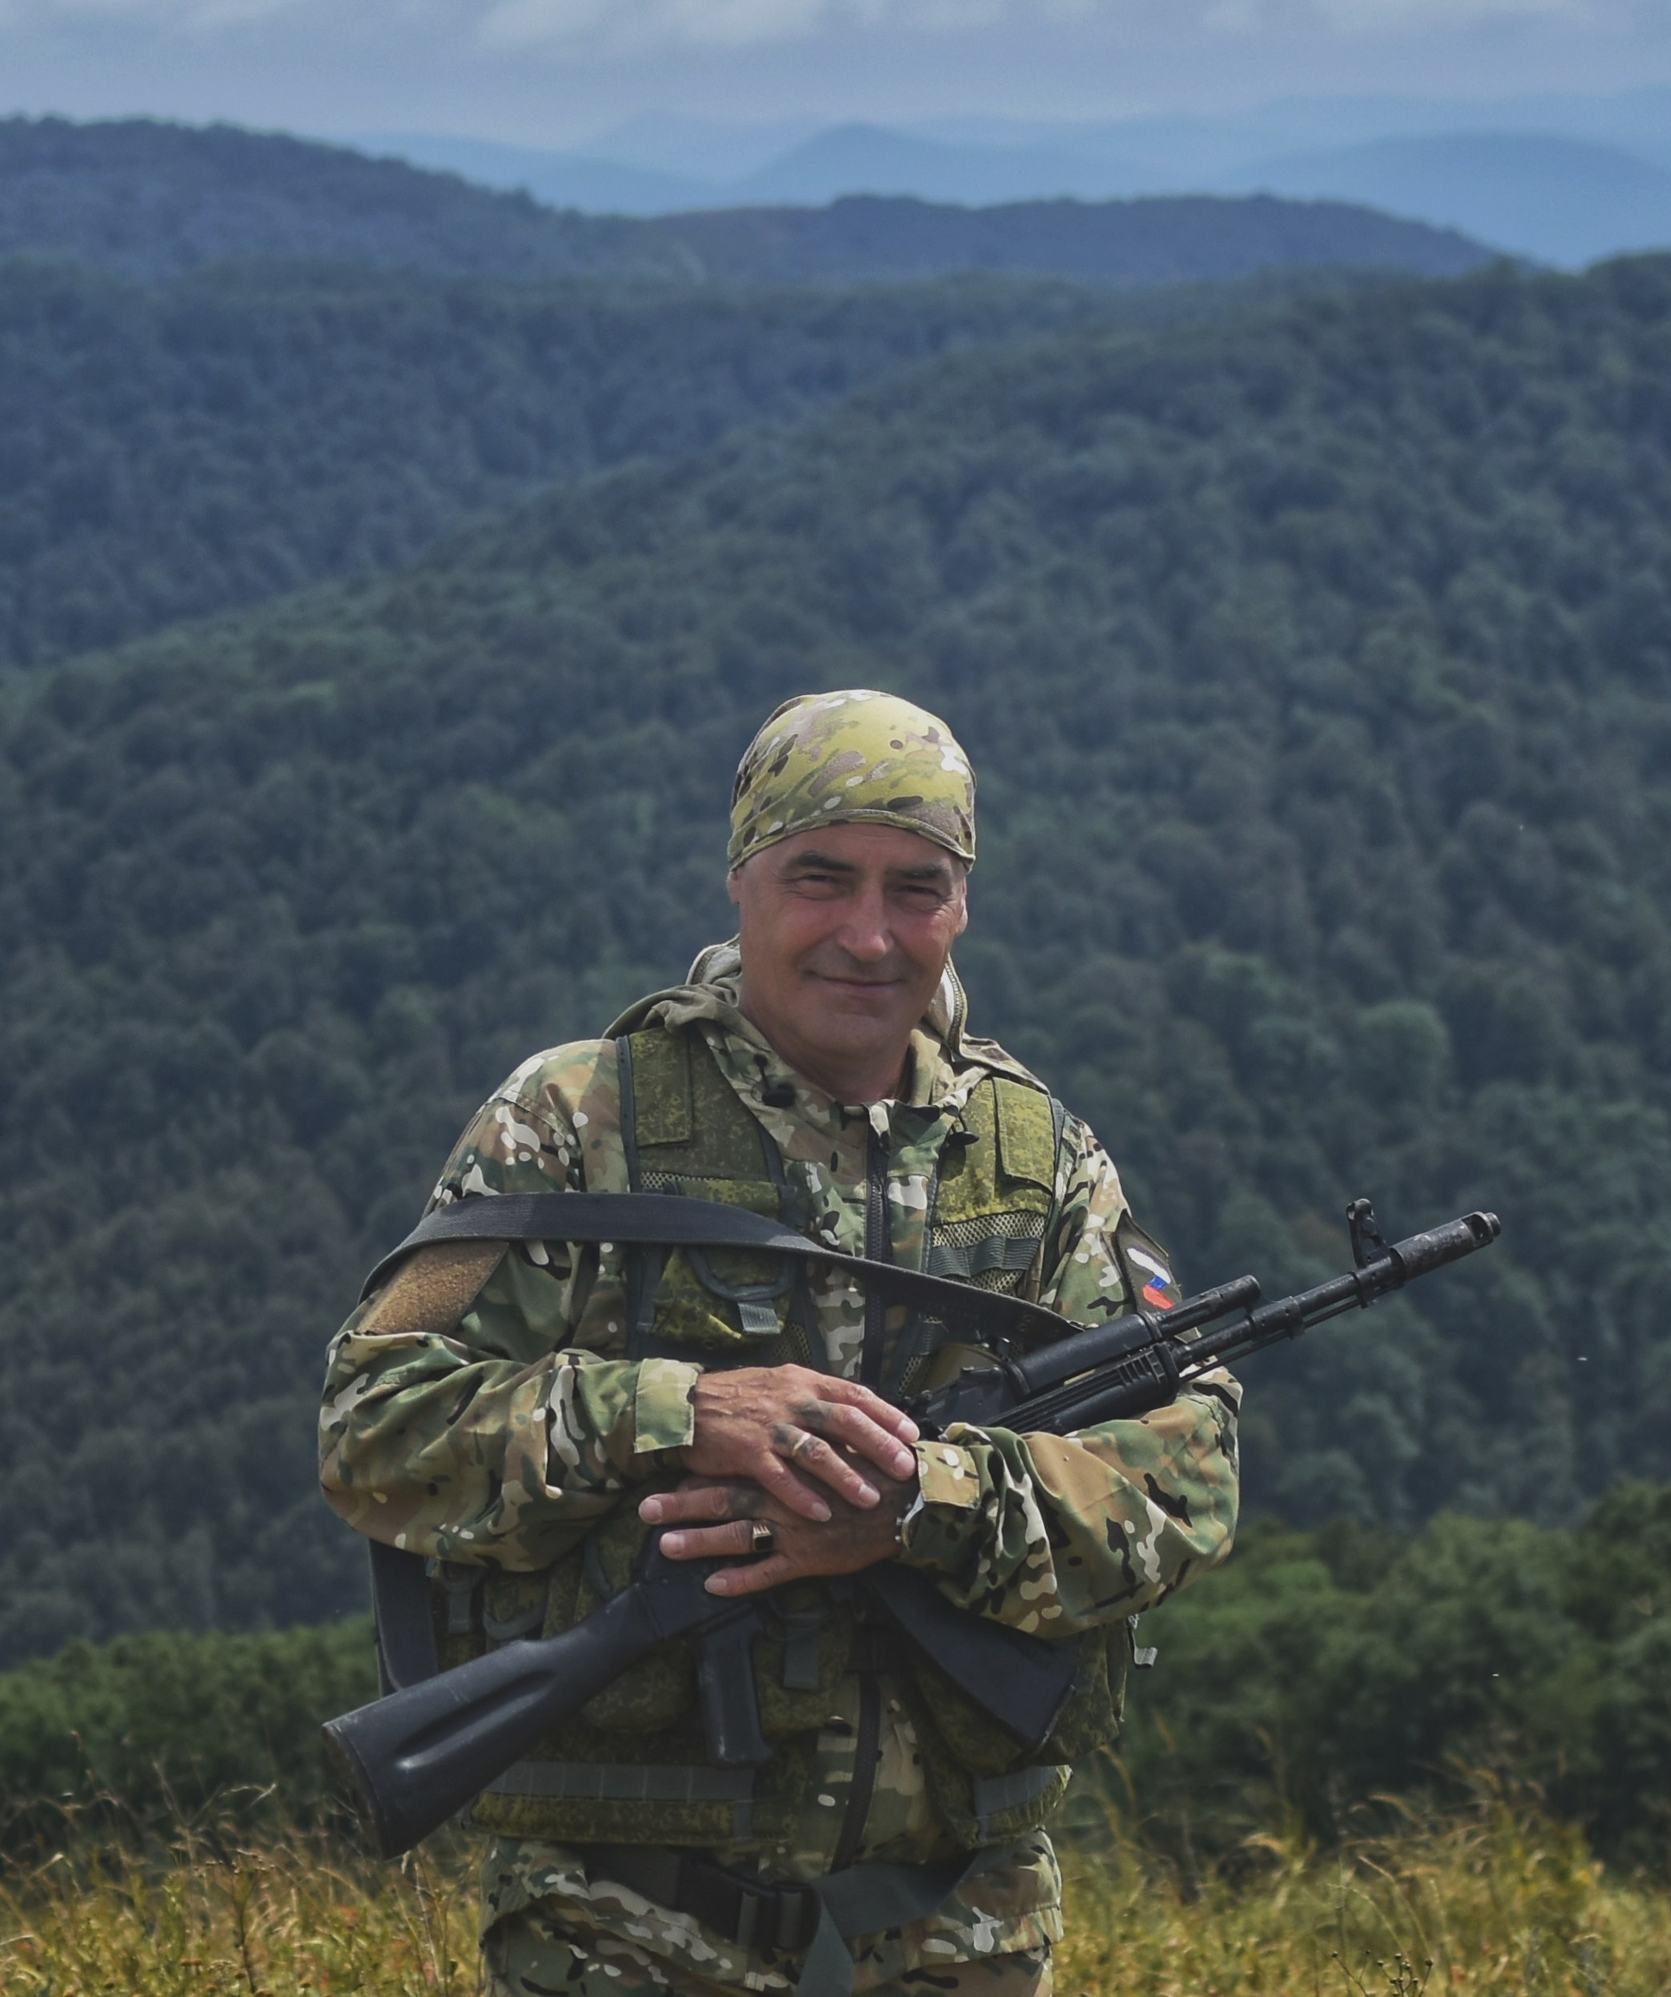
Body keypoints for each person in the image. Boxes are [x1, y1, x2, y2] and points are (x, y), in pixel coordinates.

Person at [319, 689, 1240, 1997]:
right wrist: (673, 1411)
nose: (869, 933)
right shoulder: (578, 1120)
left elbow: (1188, 1474)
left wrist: (922, 1502)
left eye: (916, 886)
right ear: (743, 876)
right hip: (622, 1934)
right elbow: (375, 1428)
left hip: (955, 1934)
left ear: (963, 903)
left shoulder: (1039, 1163)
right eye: (822, 876)